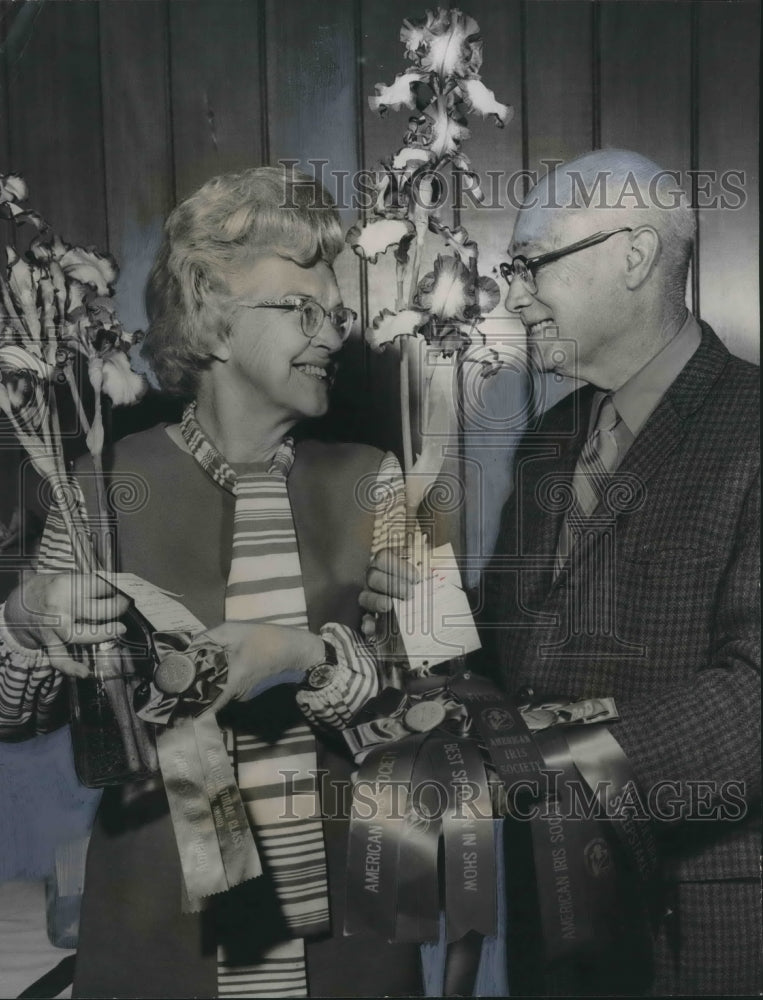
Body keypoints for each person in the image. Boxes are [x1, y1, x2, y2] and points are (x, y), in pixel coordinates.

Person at [0, 166, 423, 998]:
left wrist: (304, 656)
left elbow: (432, 706)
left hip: (350, 941)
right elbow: (15, 716)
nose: (332, 336)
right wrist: (19, 622)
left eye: (334, 313)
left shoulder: (381, 479)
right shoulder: (97, 484)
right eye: (301, 310)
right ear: (215, 322)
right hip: (162, 943)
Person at [362, 149, 761, 995]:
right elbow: (516, 644)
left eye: (532, 265)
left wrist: (536, 766)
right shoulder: (551, 438)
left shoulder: (751, 428)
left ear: (633, 255)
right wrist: (417, 616)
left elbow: (751, 696)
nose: (512, 295)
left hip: (701, 923)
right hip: (556, 915)